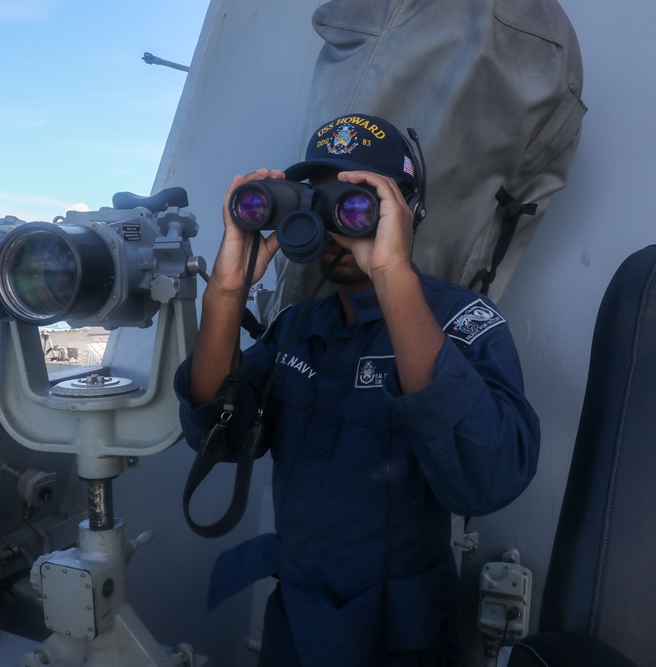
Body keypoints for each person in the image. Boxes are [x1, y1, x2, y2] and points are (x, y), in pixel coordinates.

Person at [174, 113, 540, 666]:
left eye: (356, 204)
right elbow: (219, 433)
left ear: (406, 214)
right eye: (317, 204)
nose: (336, 225)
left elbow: (487, 481)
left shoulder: (463, 321)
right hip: (297, 627)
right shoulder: (298, 326)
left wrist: (392, 272)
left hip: (402, 641)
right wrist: (226, 291)